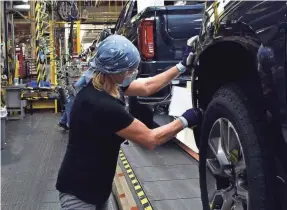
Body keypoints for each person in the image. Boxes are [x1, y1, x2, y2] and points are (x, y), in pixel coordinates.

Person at [56, 35, 202, 209]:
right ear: (117, 71)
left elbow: (148, 86)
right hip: (79, 194)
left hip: (96, 187)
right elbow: (151, 138)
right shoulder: (103, 106)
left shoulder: (104, 84)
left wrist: (181, 66)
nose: (133, 72)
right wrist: (186, 119)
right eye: (130, 69)